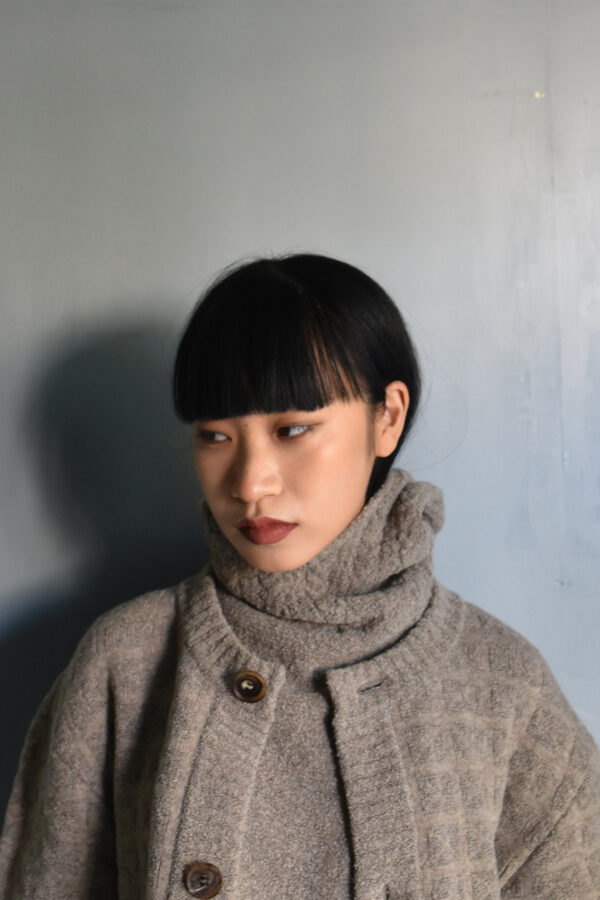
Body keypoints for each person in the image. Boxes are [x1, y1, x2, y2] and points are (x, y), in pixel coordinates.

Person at [1, 254, 599, 899]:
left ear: (387, 418)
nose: (250, 483)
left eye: (292, 429)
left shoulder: (499, 682)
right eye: (215, 436)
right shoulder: (127, 663)